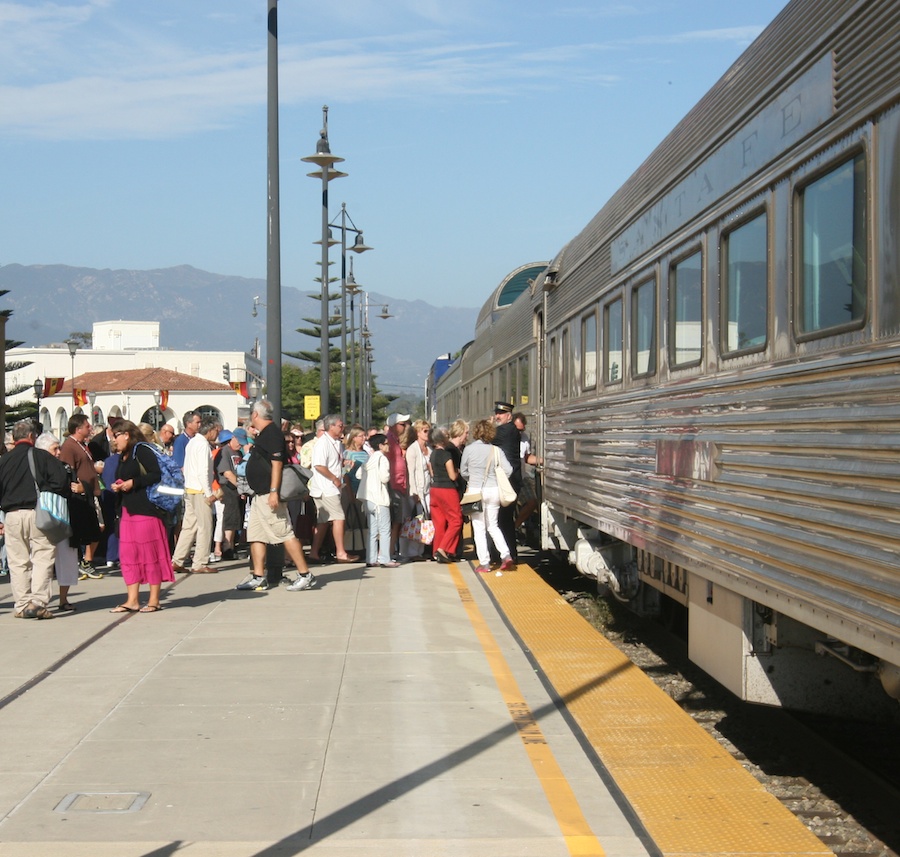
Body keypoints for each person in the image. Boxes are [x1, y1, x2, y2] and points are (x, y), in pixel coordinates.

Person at [234, 399, 315, 592]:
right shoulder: (265, 434)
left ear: (255, 415)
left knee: (284, 533)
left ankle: (305, 574)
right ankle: (258, 576)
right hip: (259, 495)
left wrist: (273, 492)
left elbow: (277, 465)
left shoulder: (272, 434)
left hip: (268, 495)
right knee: (256, 535)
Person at [0, 419, 72, 619]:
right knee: (42, 557)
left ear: (14, 439)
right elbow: (60, 483)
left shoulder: (3, 461)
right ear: (32, 437)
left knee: (17, 561)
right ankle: (38, 602)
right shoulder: (41, 456)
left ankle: (22, 604)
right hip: (38, 513)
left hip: (11, 515)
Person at [109, 420, 174, 613]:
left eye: (116, 436)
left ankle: (154, 600)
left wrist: (133, 482)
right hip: (128, 511)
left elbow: (155, 474)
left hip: (146, 511)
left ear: (126, 434)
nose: (114, 440)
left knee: (150, 554)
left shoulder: (142, 449)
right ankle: (132, 600)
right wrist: (120, 484)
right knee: (129, 556)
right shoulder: (123, 455)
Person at [35, 432, 84, 612]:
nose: (58, 452)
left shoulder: (65, 467)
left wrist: (80, 488)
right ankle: (41, 599)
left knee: (67, 559)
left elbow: (73, 487)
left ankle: (63, 598)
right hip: (44, 517)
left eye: (59, 448)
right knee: (43, 560)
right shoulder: (35, 469)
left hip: (65, 517)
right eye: (54, 449)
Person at [460, 418, 515, 574]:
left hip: (476, 492)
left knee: (479, 528)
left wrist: (473, 478)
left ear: (476, 432)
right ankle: (506, 555)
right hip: (494, 491)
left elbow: (463, 471)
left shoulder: (469, 450)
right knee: (493, 526)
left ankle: (484, 563)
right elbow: (509, 470)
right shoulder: (496, 450)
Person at [308, 414, 360, 564]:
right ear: (331, 427)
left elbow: (334, 461)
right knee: (339, 517)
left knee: (323, 521)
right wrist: (334, 478)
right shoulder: (322, 443)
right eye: (339, 425)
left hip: (332, 487)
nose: (342, 427)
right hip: (326, 487)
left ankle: (314, 552)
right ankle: (341, 552)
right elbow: (319, 465)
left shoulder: (337, 443)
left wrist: (344, 463)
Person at [171, 416, 219, 574]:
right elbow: (203, 471)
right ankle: (200, 562)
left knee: (189, 527)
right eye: (216, 430)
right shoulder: (203, 445)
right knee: (205, 526)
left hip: (189, 488)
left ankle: (177, 559)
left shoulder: (192, 442)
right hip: (200, 490)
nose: (217, 433)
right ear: (210, 431)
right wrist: (209, 493)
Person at [59, 413, 103, 579]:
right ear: (78, 429)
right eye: (87, 426)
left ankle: (86, 561)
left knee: (97, 528)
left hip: (90, 492)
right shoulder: (69, 446)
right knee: (91, 529)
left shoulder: (83, 445)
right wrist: (77, 488)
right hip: (81, 495)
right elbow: (66, 471)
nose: (90, 428)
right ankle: (84, 562)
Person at [357, 433, 398, 568]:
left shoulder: (369, 459)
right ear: (380, 445)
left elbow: (358, 474)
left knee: (372, 530)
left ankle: (371, 558)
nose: (388, 446)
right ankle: (385, 558)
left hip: (368, 498)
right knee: (385, 529)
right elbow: (384, 478)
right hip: (379, 498)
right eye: (386, 443)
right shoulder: (382, 458)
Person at [492, 401, 522, 562]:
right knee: (504, 519)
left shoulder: (507, 430)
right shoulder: (508, 430)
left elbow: (487, 436)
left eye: (501, 414)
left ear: (509, 416)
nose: (497, 416)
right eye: (496, 413)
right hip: (509, 481)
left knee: (502, 519)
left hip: (508, 481)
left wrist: (488, 426)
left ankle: (507, 553)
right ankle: (509, 552)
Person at [428, 426, 462, 564]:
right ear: (442, 439)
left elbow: (431, 472)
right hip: (447, 490)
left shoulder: (432, 454)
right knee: (456, 520)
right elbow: (452, 476)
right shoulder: (446, 455)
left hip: (434, 490)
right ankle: (444, 549)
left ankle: (436, 551)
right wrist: (459, 472)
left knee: (440, 522)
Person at [404, 419, 432, 560]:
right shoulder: (412, 449)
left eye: (429, 430)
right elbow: (411, 472)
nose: (428, 433)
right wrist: (414, 492)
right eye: (425, 431)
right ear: (418, 432)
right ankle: (412, 551)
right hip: (417, 490)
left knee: (426, 519)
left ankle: (421, 550)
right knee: (417, 520)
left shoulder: (429, 449)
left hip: (428, 489)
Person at [385, 413, 411, 561]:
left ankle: (391, 550)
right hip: (394, 485)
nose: (405, 427)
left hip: (398, 484)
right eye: (402, 424)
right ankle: (390, 552)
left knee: (397, 521)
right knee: (395, 521)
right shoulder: (389, 440)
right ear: (394, 425)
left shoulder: (395, 440)